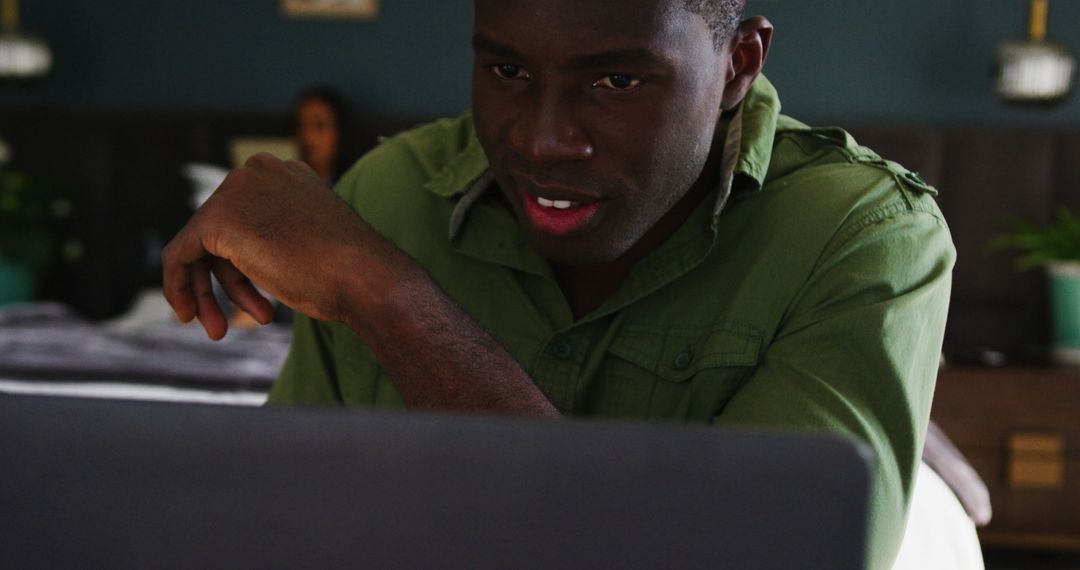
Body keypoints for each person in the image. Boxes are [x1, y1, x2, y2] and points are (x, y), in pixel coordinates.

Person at [161, 1, 955, 568]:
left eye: (617, 82)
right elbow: (285, 529)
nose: (542, 140)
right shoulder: (391, 194)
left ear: (738, 65)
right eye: (506, 67)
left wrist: (389, 297)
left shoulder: (860, 235)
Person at [292, 86, 351, 186]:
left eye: (319, 126)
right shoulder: (284, 183)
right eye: (300, 126)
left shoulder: (353, 185)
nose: (307, 136)